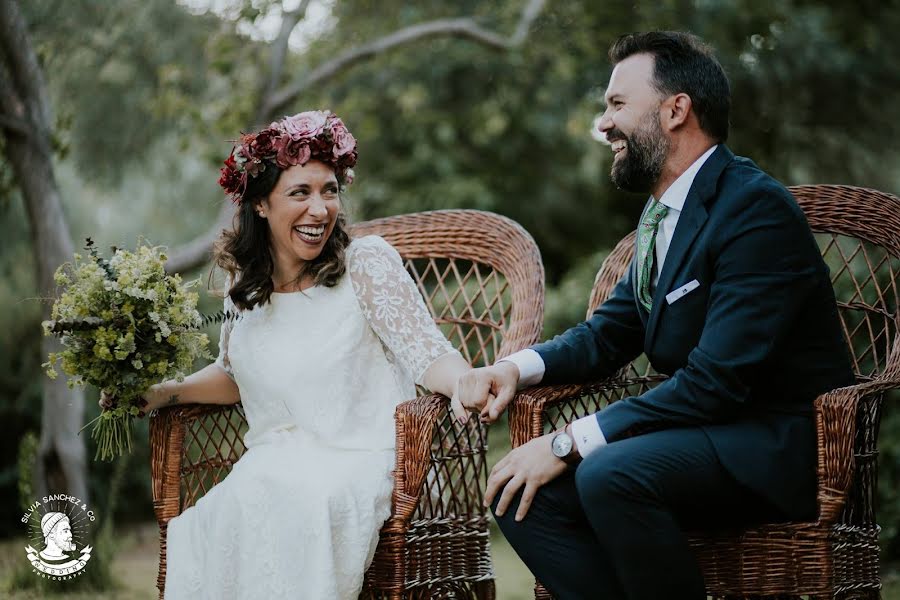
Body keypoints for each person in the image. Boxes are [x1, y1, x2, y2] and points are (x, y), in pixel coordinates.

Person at [455, 32, 855, 599]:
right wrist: (514, 370)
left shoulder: (753, 210)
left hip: (776, 446)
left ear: (676, 110)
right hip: (699, 439)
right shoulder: (664, 213)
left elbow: (715, 382)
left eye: (617, 105)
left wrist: (566, 441)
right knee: (519, 497)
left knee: (610, 472)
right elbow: (608, 335)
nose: (604, 123)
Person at [102, 110, 471, 599]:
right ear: (260, 203)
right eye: (300, 192)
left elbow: (427, 353)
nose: (320, 210)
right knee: (210, 520)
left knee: (302, 502)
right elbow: (237, 376)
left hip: (362, 460)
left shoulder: (366, 264)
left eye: (330, 190)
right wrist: (164, 393)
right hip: (275, 463)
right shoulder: (246, 287)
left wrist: (465, 380)